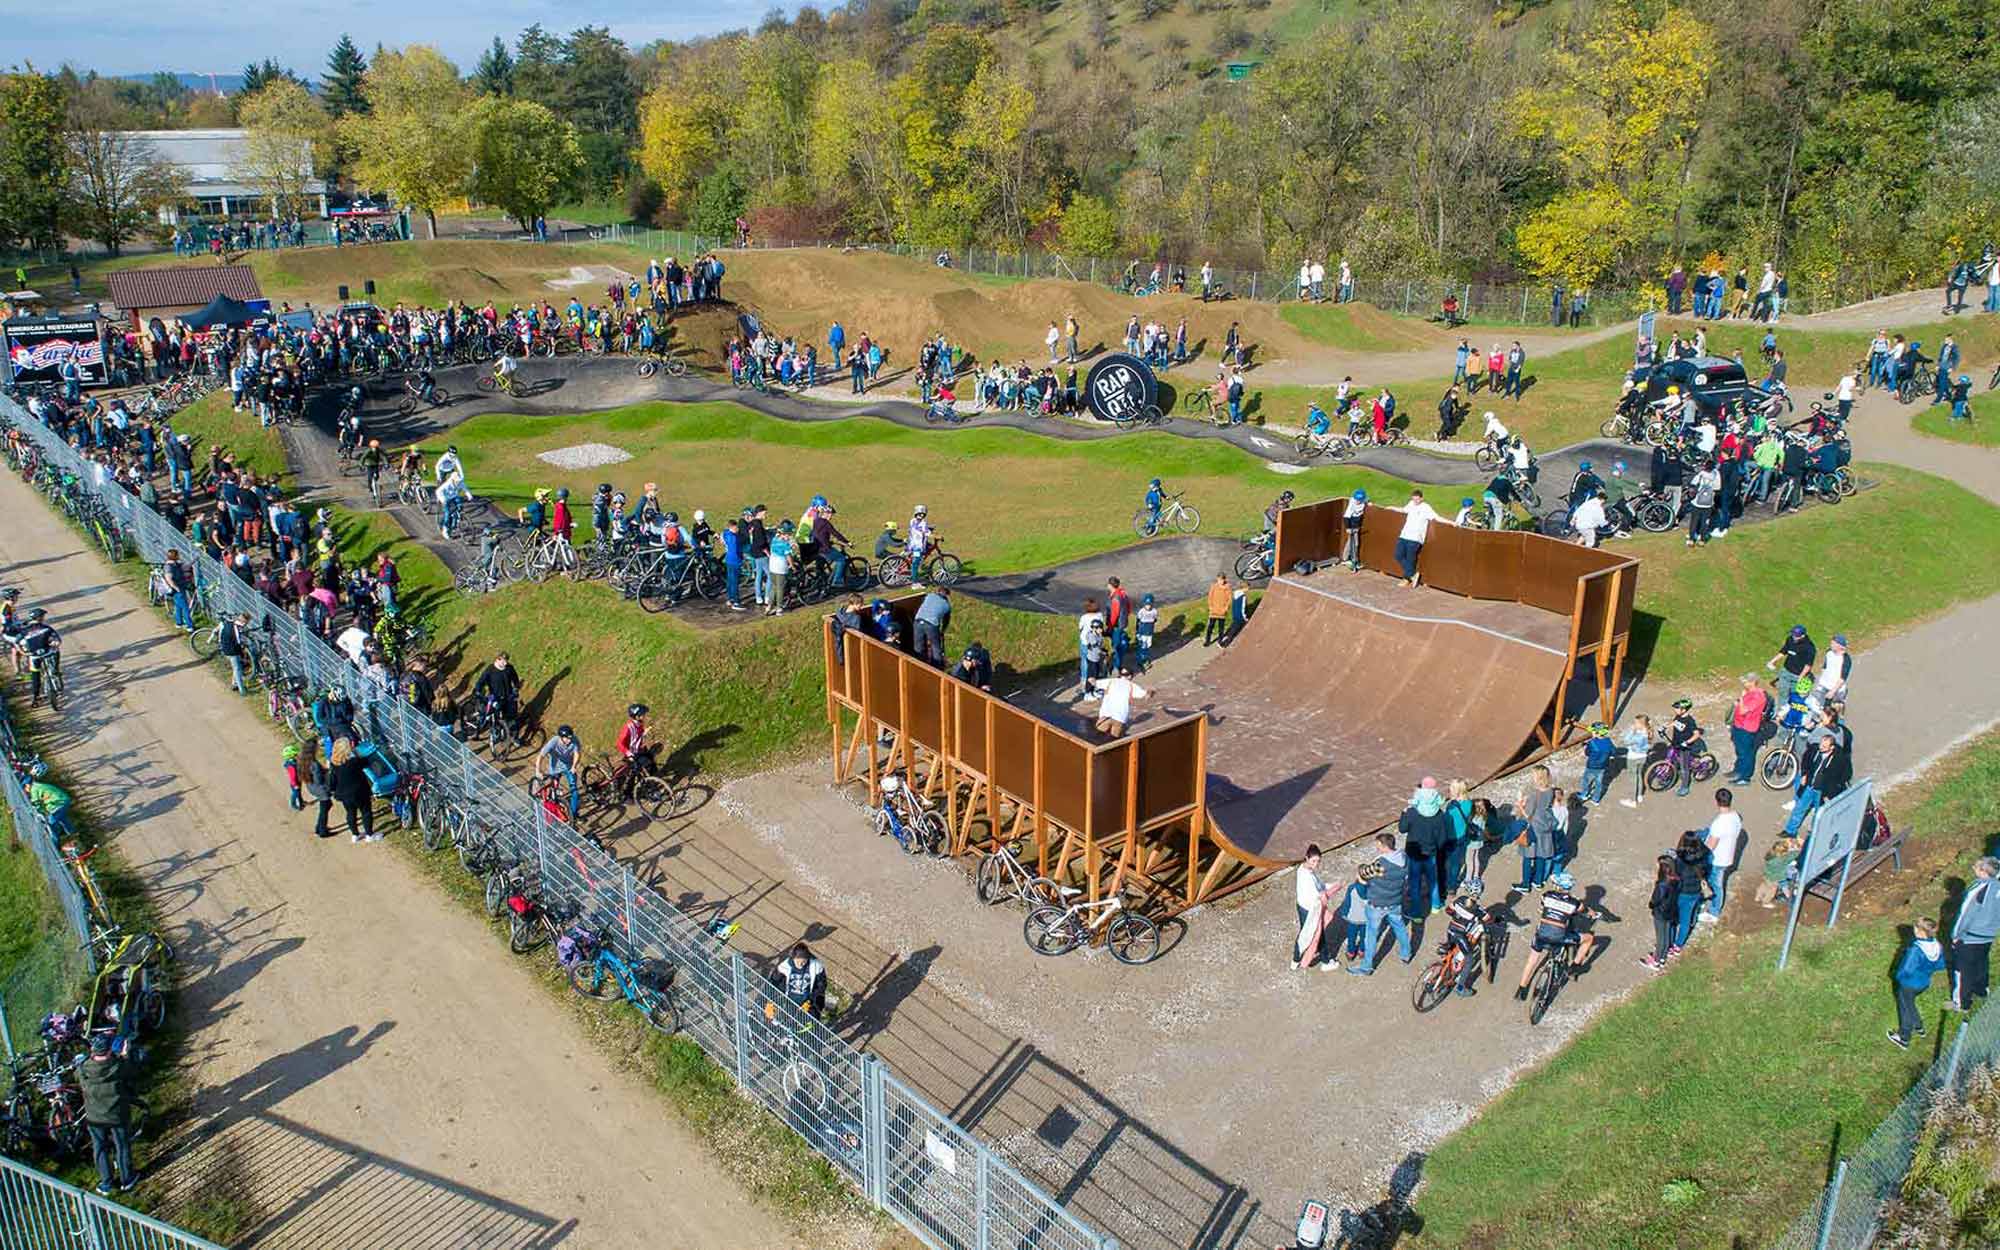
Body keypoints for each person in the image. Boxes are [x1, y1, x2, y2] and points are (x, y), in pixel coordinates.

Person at [1514, 879, 1602, 1000]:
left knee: (1532, 959)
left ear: (1558, 886)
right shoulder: (1574, 903)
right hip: (1559, 937)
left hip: (1541, 934)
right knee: (1589, 938)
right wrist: (1595, 914)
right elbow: (1587, 912)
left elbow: (1543, 907)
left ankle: (1522, 989)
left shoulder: (1547, 895)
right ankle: (1574, 967)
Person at [79, 1030, 139, 1195]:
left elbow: (78, 1075)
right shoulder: (117, 1066)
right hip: (116, 1115)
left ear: (92, 1051)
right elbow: (130, 1071)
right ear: (110, 1050)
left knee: (100, 1148)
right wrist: (125, 1054)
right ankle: (127, 1179)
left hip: (94, 1117)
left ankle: (106, 1182)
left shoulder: (83, 1069)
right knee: (122, 1146)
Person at [1347, 832, 1411, 975]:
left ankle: (1366, 967)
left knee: (1371, 934)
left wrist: (1361, 866)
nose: (1377, 848)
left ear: (1384, 846)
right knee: (1400, 927)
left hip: (1377, 904)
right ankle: (1406, 954)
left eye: (1378, 845)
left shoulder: (1381, 864)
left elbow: (1363, 872)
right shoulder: (1404, 858)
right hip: (1395, 902)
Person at [1948, 857, 2000, 1013]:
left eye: (1976, 867)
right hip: (1988, 934)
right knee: (1981, 962)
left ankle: (1962, 1003)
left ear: (1983, 872)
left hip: (1970, 936)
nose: (1973, 867)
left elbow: (1965, 914)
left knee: (1963, 970)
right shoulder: (1997, 886)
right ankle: (1982, 990)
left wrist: (1955, 934)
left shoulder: (1978, 888)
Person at [1889, 917, 1947, 1049]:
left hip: (1909, 984)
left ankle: (1903, 1038)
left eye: (1915, 927)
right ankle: (1918, 1026)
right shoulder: (1937, 945)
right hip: (1924, 982)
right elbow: (1941, 964)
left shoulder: (1915, 949)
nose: (1913, 930)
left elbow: (1906, 969)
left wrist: (1898, 977)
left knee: (1905, 1008)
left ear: (1920, 931)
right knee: (1910, 1004)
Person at [1399, 778, 1451, 915]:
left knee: (1414, 883)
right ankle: (1436, 906)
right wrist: (1436, 848)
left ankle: (1416, 913)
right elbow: (1442, 838)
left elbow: (1402, 829)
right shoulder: (1440, 814)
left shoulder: (1412, 812)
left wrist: (1403, 814)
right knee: (1433, 880)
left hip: (1414, 853)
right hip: (1431, 853)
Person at [1293, 845, 1341, 970]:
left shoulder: (1302, 870)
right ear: (1306, 858)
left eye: (1318, 861)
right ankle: (1325, 962)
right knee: (1318, 935)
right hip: (1311, 909)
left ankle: (1296, 959)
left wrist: (1329, 886)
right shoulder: (1308, 876)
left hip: (1302, 906)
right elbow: (1318, 894)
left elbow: (1319, 886)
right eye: (1313, 861)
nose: (1316, 864)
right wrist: (1331, 889)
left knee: (1305, 933)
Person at [1702, 789, 1745, 923]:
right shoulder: (1736, 817)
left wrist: (1701, 855)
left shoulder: (1719, 823)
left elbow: (1711, 845)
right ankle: (1711, 902)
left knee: (1717, 884)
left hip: (1717, 858)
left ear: (1717, 802)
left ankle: (1714, 912)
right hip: (1728, 855)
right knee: (1715, 882)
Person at [328, 737, 378, 843]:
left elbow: (332, 779)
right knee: (366, 812)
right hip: (359, 792)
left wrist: (332, 789)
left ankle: (355, 835)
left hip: (344, 794)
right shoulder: (354, 761)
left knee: (350, 813)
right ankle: (369, 834)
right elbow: (366, 762)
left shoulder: (334, 763)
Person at [1727, 674, 1770, 785]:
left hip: (1746, 728)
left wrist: (1741, 698)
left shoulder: (1758, 697)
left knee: (1746, 753)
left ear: (1752, 682)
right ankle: (1737, 770)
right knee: (1739, 751)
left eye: (1745, 681)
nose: (1743, 683)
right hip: (1738, 726)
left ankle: (1745, 777)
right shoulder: (1750, 693)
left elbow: (1743, 711)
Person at [536, 725, 583, 824]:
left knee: (575, 792)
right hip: (555, 769)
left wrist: (574, 766)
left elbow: (577, 754)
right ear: (561, 737)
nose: (569, 741)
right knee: (554, 791)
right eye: (567, 739)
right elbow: (541, 755)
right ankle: (550, 806)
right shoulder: (554, 741)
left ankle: (573, 815)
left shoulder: (574, 740)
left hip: (569, 768)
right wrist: (538, 770)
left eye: (570, 738)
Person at [769, 942, 828, 1020]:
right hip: (790, 1001)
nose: (801, 965)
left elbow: (822, 985)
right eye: (798, 962)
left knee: (810, 1023)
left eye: (804, 962)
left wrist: (810, 1000)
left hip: (807, 1002)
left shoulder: (816, 966)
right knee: (789, 1021)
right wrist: (770, 1001)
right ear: (793, 958)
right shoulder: (784, 966)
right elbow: (773, 983)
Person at [475, 652, 524, 746]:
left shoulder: (509, 668)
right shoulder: (490, 670)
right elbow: (481, 681)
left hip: (509, 697)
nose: (505, 663)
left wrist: (516, 689)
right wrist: (478, 690)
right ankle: (496, 732)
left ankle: (514, 737)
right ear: (497, 659)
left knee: (513, 718)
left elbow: (515, 680)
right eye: (504, 661)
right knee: (496, 717)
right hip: (496, 698)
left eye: (507, 661)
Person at [1083, 668, 1148, 738]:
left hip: (1106, 716)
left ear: (1120, 674)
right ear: (1130, 676)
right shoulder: (1132, 686)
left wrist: (1091, 678)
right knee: (1113, 740)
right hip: (1120, 718)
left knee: (1098, 738)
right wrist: (1151, 692)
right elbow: (1145, 694)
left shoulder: (1111, 681)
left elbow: (1093, 681)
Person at [1393, 490, 1440, 587]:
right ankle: (1413, 575)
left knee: (1411, 559)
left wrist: (1451, 523)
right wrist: (1392, 507)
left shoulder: (1426, 507)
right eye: (1414, 499)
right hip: (1404, 535)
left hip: (1416, 538)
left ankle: (1406, 579)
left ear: (1421, 498)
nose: (1415, 501)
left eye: (1417, 499)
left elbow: (1436, 517)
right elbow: (1403, 510)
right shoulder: (1411, 504)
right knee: (1398, 555)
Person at [1665, 698, 1706, 796]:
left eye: (1677, 708)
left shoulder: (1690, 721)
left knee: (1684, 767)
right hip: (1676, 743)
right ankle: (1669, 776)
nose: (1675, 710)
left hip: (1685, 747)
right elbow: (1674, 722)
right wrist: (1665, 727)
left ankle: (1685, 787)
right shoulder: (1678, 716)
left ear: (1684, 710)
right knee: (1671, 758)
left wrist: (1687, 742)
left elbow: (1696, 734)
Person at [26, 762, 75, 840]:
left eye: (26, 786)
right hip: (63, 799)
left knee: (52, 821)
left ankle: (55, 842)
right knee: (62, 818)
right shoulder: (37, 785)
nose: (26, 789)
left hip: (59, 803)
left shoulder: (34, 789)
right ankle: (72, 833)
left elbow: (36, 803)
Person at [1768, 623, 1816, 691]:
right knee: (1783, 693)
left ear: (1803, 636)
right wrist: (1772, 661)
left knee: (1793, 695)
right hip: (1786, 671)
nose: (1793, 637)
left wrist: (1800, 677)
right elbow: (1783, 651)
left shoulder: (1809, 647)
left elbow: (1808, 665)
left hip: (1797, 675)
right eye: (1793, 634)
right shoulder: (1790, 639)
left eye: (1796, 636)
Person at [1579, 723, 1615, 805]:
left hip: (1591, 766)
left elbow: (1587, 753)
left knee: (1586, 780)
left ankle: (1584, 794)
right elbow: (1613, 752)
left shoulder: (1592, 743)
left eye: (1592, 732)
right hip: (1602, 767)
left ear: (1596, 733)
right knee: (1599, 783)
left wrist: (1586, 747)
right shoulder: (1608, 741)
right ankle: (1596, 799)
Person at [914, 587, 951, 666]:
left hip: (917, 621)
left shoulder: (929, 596)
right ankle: (937, 668)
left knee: (918, 646)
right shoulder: (947, 606)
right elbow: (946, 621)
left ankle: (920, 666)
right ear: (947, 595)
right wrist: (942, 631)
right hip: (931, 625)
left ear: (938, 591)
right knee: (936, 647)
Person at [1341, 489, 1367, 569]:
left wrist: (1369, 503)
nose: (1358, 501)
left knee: (1351, 543)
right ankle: (1352, 560)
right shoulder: (1351, 505)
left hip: (1357, 526)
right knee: (1355, 544)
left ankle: (1347, 559)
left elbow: (1367, 499)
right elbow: (1346, 517)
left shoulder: (1363, 501)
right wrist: (1348, 528)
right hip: (1352, 527)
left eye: (1360, 500)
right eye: (1357, 500)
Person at [1203, 573, 1230, 646]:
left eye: (1222, 580)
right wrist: (1210, 606)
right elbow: (1210, 597)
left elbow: (1229, 599)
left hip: (1222, 611)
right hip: (1214, 611)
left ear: (1224, 579)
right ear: (1217, 579)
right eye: (1219, 580)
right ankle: (1207, 641)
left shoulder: (1227, 588)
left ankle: (1220, 641)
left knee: (1221, 627)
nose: (1220, 581)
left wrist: (1226, 608)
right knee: (1210, 626)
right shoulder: (1214, 587)